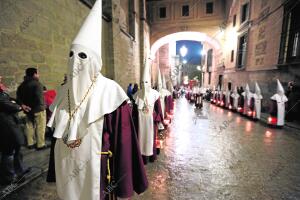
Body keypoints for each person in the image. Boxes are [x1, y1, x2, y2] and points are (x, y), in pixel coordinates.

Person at [47, 1, 148, 199]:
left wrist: (123, 185)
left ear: (95, 61)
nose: (75, 61)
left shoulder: (111, 94)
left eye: (82, 56)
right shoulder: (62, 93)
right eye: (71, 55)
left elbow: (124, 143)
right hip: (66, 172)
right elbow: (56, 140)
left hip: (99, 178)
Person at [0, 75, 31, 185]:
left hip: (10, 122)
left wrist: (19, 104)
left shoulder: (2, 92)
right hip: (4, 125)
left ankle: (19, 170)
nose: (0, 78)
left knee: (17, 147)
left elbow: (10, 100)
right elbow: (8, 105)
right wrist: (18, 107)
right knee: (8, 151)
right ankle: (9, 177)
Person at [132, 58, 163, 164]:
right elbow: (134, 112)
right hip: (140, 124)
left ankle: (150, 157)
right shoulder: (137, 95)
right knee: (140, 140)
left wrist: (158, 120)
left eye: (146, 82)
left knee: (150, 140)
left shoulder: (155, 94)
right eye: (142, 82)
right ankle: (142, 159)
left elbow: (158, 109)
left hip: (151, 122)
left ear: (149, 82)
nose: (144, 84)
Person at [17, 68, 47, 150]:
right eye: (38, 73)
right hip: (38, 109)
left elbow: (18, 97)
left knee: (29, 126)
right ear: (34, 74)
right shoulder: (37, 84)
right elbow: (39, 98)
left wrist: (23, 105)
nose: (38, 75)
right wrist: (43, 107)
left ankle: (30, 143)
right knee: (40, 127)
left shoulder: (22, 85)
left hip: (27, 109)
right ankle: (40, 144)